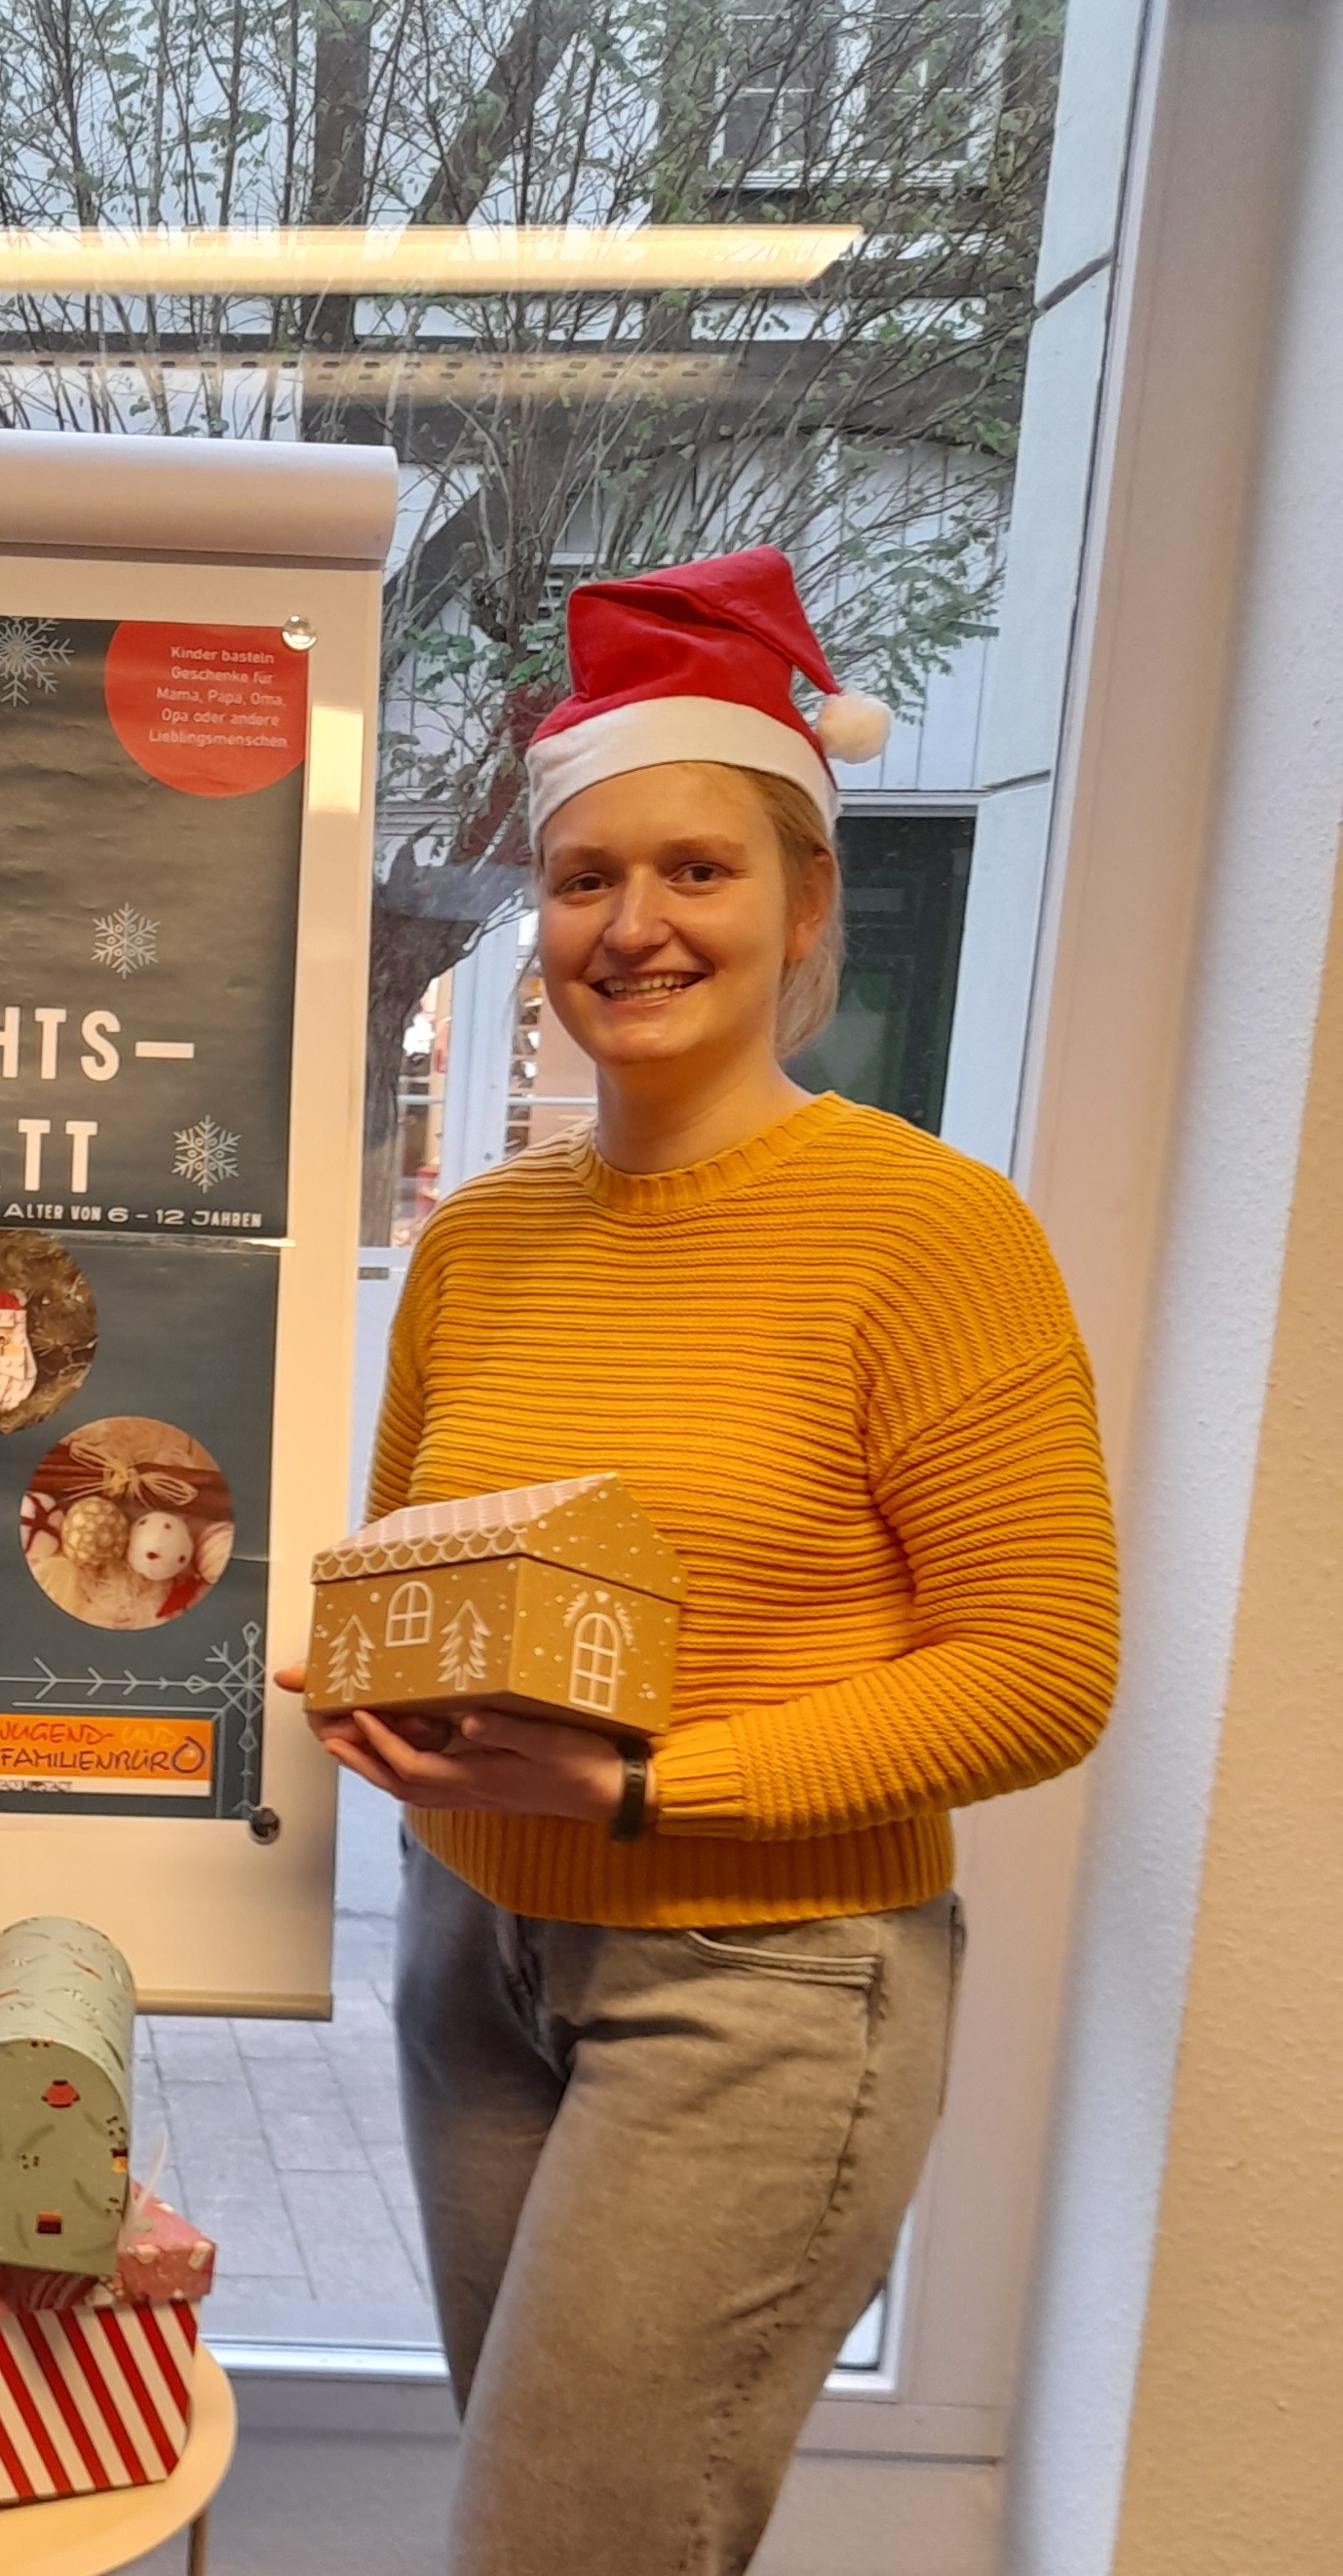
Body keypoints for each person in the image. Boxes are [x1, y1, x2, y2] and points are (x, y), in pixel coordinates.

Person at [280, 550, 1118, 2574]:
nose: (630, 923)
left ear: (806, 898)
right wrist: (373, 1696)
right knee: (576, 2524)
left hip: (762, 1978)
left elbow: (1042, 1666)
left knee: (558, 2548)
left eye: (697, 869)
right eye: (583, 877)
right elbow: (412, 1562)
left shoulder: (925, 1229)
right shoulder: (483, 1234)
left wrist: (653, 1784)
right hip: (470, 1949)